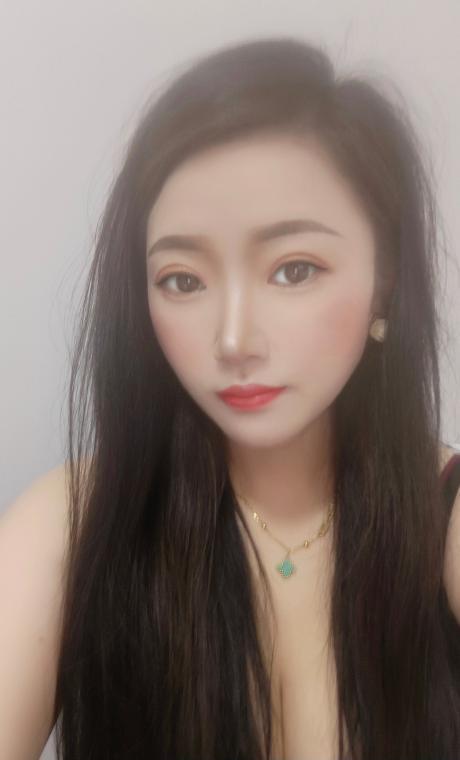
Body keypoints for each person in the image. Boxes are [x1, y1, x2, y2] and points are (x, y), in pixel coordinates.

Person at [1, 36, 460, 760]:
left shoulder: (446, 517)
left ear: (386, 281)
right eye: (183, 280)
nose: (233, 339)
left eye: (294, 269)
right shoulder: (72, 526)